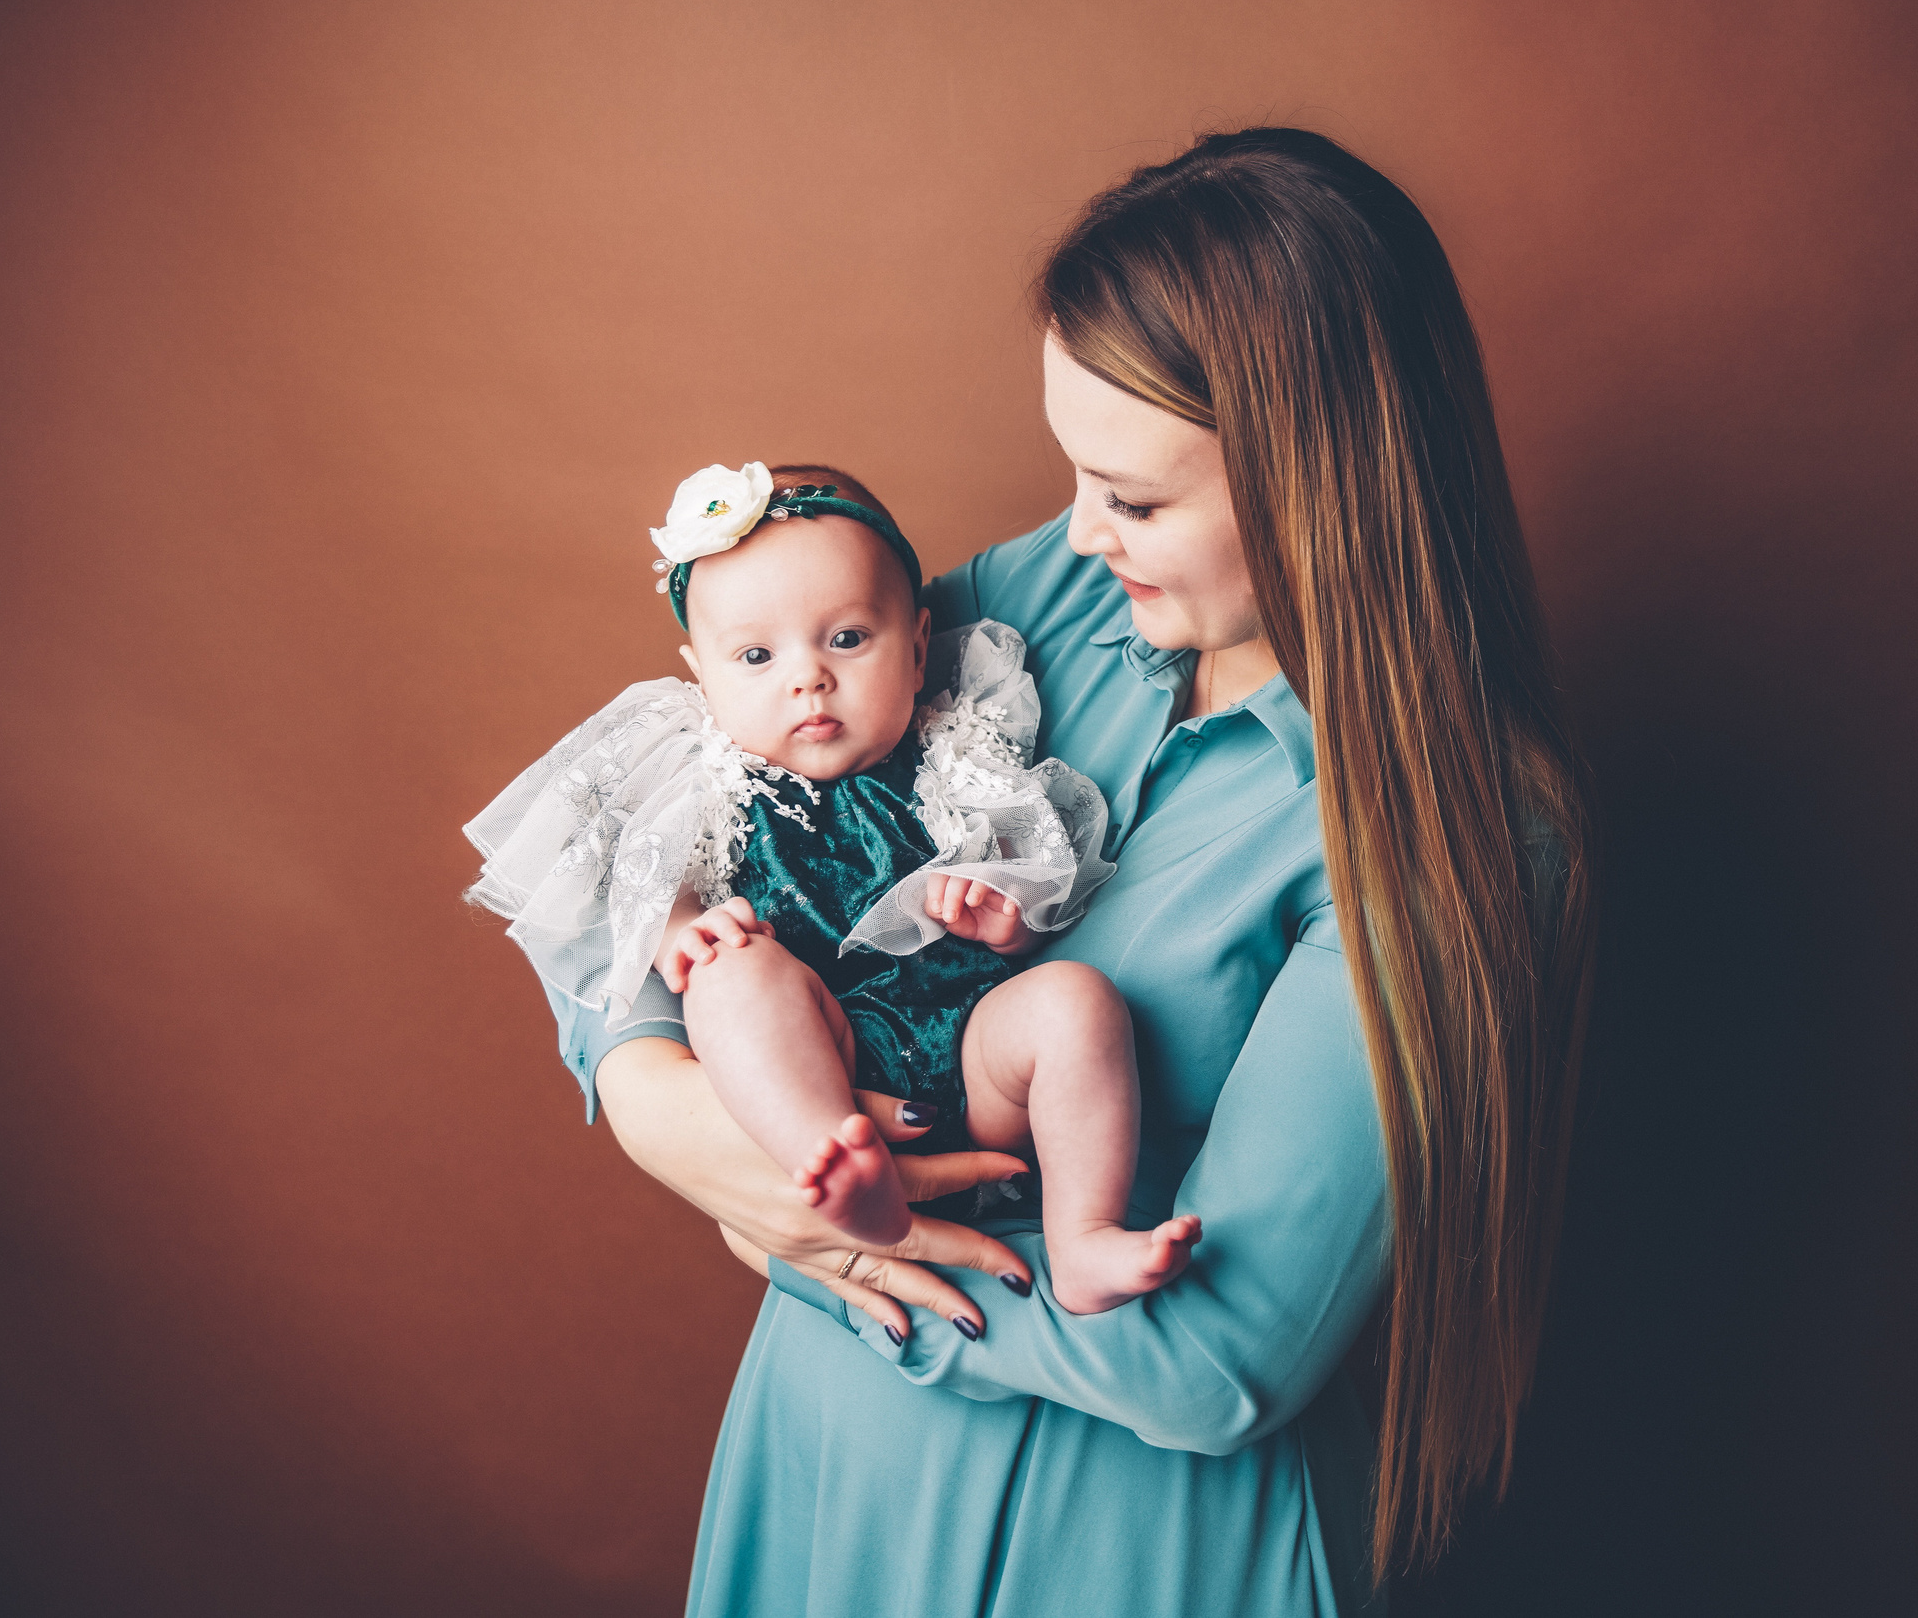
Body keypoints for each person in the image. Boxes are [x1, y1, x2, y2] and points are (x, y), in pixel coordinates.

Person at [545, 128, 1593, 1615]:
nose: (1079, 528)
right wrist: (665, 1104)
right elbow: (697, 814)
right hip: (831, 1475)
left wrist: (806, 1248)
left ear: (1325, 484)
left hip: (1128, 1546)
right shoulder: (1046, 606)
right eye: (1076, 475)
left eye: (1138, 497)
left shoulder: (1447, 836)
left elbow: (1220, 1356)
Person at [467, 463, 1200, 1313]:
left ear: (920, 642)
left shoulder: (959, 743)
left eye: (847, 639)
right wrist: (680, 930)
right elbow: (621, 879)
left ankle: (1084, 1238)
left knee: (1075, 999)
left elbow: (1038, 878)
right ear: (700, 673)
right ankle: (835, 1161)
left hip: (976, 1059)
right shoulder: (703, 775)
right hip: (827, 1058)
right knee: (732, 972)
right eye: (755, 655)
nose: (807, 677)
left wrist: (1007, 919)